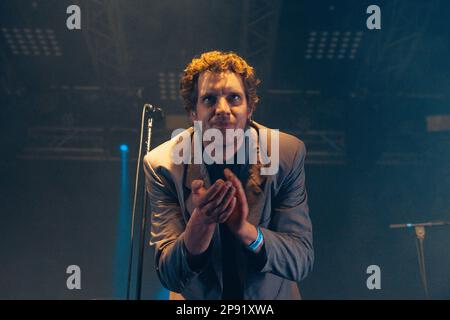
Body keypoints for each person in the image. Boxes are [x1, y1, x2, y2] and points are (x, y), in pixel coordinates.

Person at [144, 51, 313, 300]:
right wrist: (201, 221)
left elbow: (300, 259)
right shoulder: (163, 165)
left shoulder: (286, 154)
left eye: (233, 98)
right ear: (192, 112)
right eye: (209, 99)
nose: (222, 109)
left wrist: (245, 231)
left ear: (250, 107)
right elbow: (171, 274)